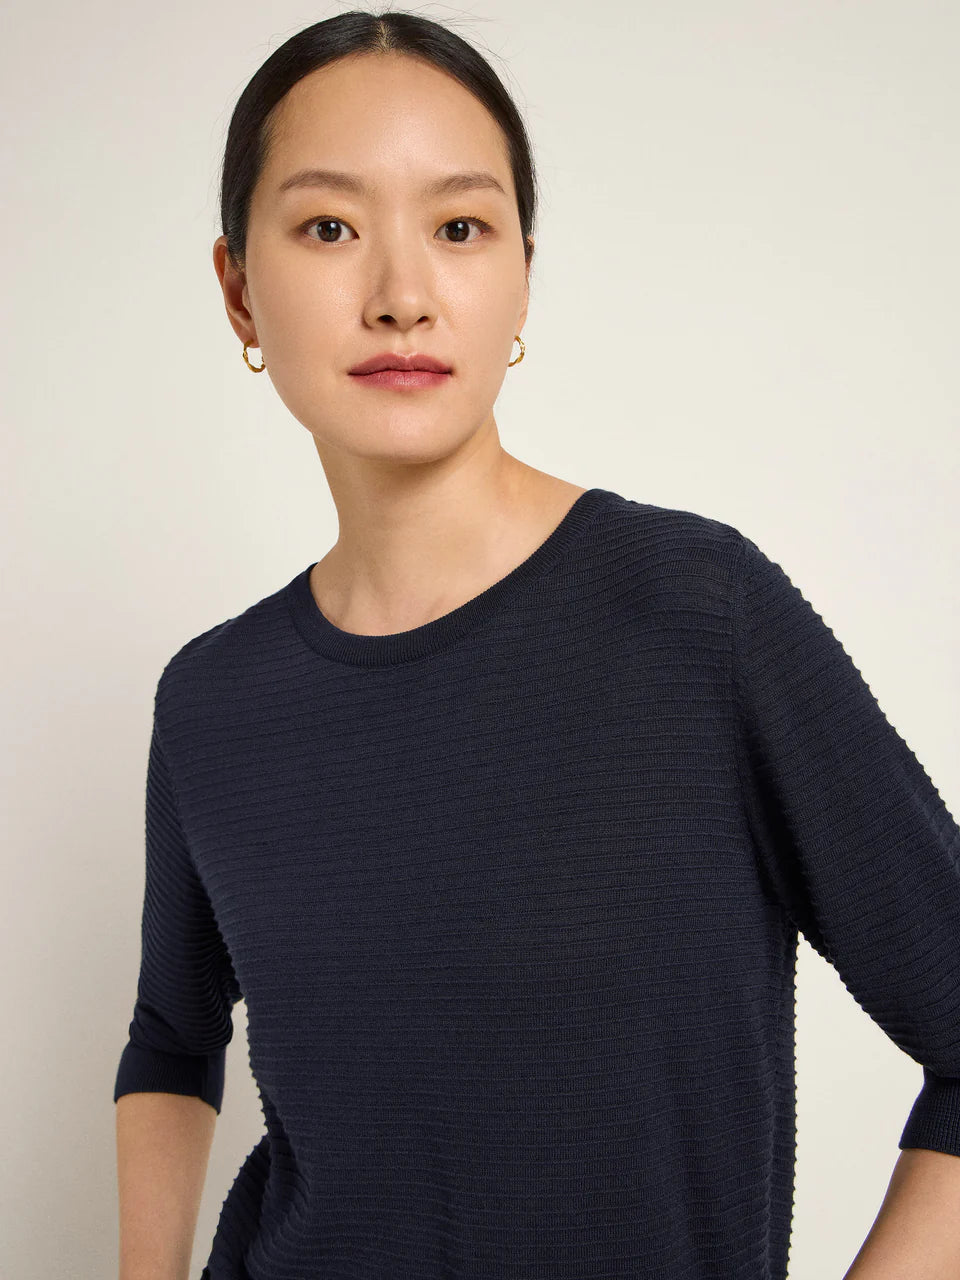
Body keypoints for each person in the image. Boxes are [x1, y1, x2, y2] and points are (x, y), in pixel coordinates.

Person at [113, 11, 960, 1280]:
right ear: (239, 287)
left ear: (521, 274)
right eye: (329, 227)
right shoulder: (212, 700)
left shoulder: (698, 615)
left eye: (460, 227)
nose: (402, 295)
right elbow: (172, 1036)